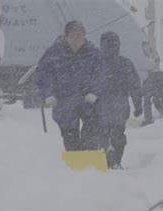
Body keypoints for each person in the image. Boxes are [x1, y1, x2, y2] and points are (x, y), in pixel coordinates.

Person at [36, 21, 103, 151]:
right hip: (63, 101)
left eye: (79, 35)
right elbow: (42, 75)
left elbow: (101, 74)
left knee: (91, 132)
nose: (76, 39)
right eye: (72, 35)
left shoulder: (93, 53)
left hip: (88, 101)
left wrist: (94, 92)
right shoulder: (54, 53)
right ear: (66, 36)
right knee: (70, 136)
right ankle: (74, 163)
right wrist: (48, 94)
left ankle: (89, 160)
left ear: (84, 36)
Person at [97, 31, 143, 169]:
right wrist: (138, 105)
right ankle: (116, 161)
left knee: (102, 134)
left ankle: (106, 158)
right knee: (118, 134)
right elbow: (134, 86)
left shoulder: (96, 63)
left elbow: (86, 86)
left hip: (101, 107)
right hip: (120, 105)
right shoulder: (124, 63)